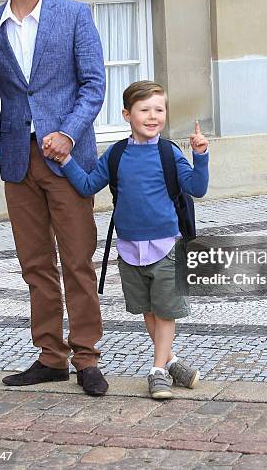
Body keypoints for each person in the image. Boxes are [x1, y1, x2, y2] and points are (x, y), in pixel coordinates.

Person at [0, 0, 109, 396]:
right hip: (15, 159)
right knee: (35, 264)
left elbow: (94, 84)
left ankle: (87, 356)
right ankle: (51, 357)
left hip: (68, 161)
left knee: (77, 262)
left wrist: (68, 134)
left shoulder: (74, 15)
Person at [58, 80, 209, 399]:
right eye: (145, 110)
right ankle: (171, 362)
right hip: (128, 250)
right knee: (149, 311)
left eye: (159, 109)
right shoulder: (116, 155)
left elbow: (197, 187)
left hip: (168, 247)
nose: (153, 116)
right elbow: (87, 186)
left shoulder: (170, 152)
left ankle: (156, 371)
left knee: (165, 311)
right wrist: (65, 161)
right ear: (127, 114)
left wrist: (201, 156)